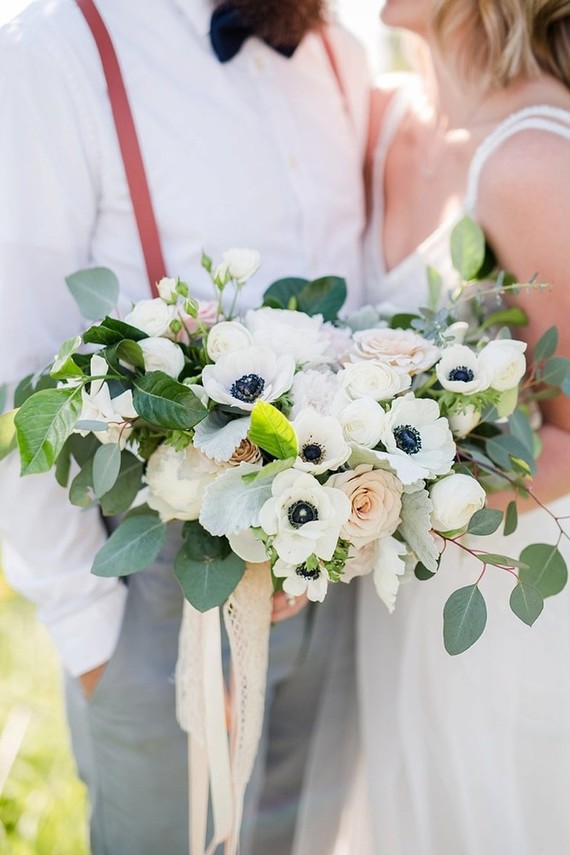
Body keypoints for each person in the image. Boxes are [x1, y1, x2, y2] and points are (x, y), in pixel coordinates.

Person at [0, 1, 371, 853]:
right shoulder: (57, 51)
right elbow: (10, 371)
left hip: (344, 579)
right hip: (166, 598)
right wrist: (99, 646)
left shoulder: (340, 55)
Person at [355, 1, 570, 853]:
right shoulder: (387, 120)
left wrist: (373, 490)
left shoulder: (533, 162)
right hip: (398, 595)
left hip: (509, 603)